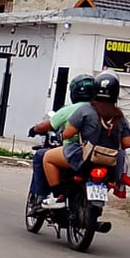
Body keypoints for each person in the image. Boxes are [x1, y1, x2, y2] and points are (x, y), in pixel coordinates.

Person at [42, 71, 130, 208]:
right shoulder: (120, 116)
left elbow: (67, 134)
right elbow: (127, 143)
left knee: (48, 157)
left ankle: (57, 196)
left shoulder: (85, 110)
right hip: (110, 162)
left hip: (84, 157)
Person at [27, 73, 98, 211]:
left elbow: (57, 129)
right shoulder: (104, 111)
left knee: (42, 156)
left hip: (76, 152)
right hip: (99, 154)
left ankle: (48, 195)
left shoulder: (75, 110)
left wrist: (34, 129)